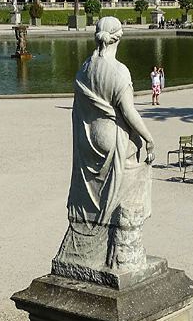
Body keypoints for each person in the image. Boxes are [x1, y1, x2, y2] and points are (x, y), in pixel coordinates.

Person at [52, 16, 155, 277]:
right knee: (129, 187)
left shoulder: (85, 67)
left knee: (93, 193)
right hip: (113, 139)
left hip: (89, 139)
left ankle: (89, 243)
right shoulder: (119, 71)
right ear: (118, 37)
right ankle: (121, 251)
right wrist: (148, 137)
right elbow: (128, 112)